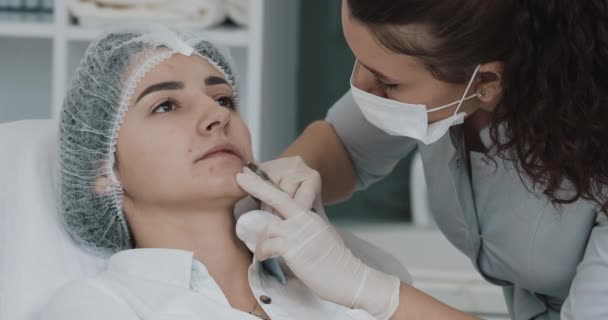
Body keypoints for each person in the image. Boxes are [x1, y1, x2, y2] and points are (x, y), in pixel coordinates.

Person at [237, 0, 608, 319]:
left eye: (387, 83)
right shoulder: (441, 81)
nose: (363, 88)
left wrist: (373, 291)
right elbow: (343, 146)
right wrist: (269, 195)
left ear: (487, 82)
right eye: (359, 61)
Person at [42, 25, 387, 320]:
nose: (217, 115)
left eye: (224, 100)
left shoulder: (337, 283)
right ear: (101, 169)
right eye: (166, 105)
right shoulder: (97, 306)